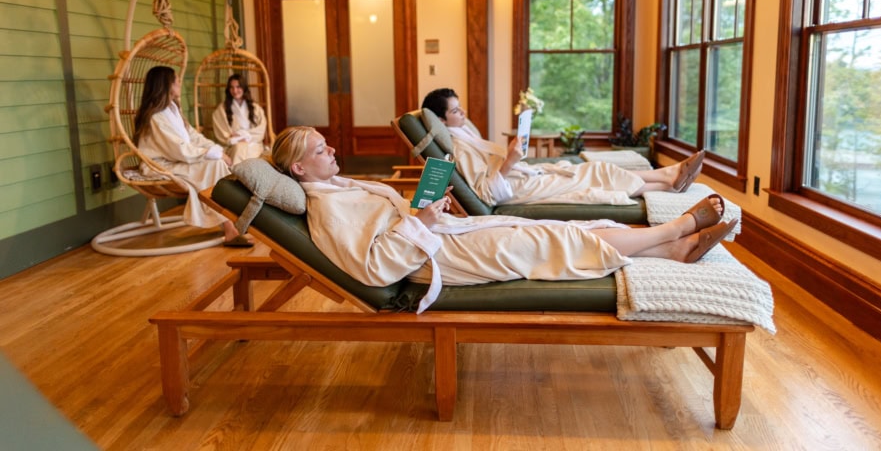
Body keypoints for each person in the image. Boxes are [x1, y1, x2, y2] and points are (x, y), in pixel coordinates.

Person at [269, 126, 737, 313]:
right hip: (430, 260)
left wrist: (423, 211)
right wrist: (422, 225)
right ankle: (675, 229)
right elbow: (373, 268)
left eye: (327, 144)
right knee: (542, 242)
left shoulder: (344, 186)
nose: (331, 150)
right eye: (319, 150)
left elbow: (389, 229)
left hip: (439, 237)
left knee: (551, 231)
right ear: (298, 169)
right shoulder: (325, 207)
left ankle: (673, 248)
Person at [421, 88, 705, 207]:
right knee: (598, 177)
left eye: (461, 108)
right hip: (519, 190)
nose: (464, 114)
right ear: (441, 119)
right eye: (456, 111)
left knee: (597, 170)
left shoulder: (465, 133)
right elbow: (485, 195)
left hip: (525, 177)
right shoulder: (458, 147)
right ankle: (670, 180)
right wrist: (509, 161)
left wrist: (513, 158)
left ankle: (670, 176)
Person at [133, 66, 253, 247]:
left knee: (217, 162)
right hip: (161, 164)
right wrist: (212, 155)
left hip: (178, 159)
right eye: (176, 80)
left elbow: (193, 137)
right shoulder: (156, 117)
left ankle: (230, 224)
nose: (179, 82)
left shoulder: (172, 110)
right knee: (214, 165)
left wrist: (216, 150)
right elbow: (178, 149)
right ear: (166, 85)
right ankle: (230, 227)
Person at [212, 73, 267, 164]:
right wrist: (237, 139)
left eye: (238, 87)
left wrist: (244, 135)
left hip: (252, 142)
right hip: (233, 144)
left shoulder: (255, 108)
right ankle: (237, 176)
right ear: (228, 89)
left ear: (244, 88)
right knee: (239, 148)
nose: (235, 90)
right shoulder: (222, 109)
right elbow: (222, 132)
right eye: (232, 87)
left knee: (250, 151)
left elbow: (261, 130)